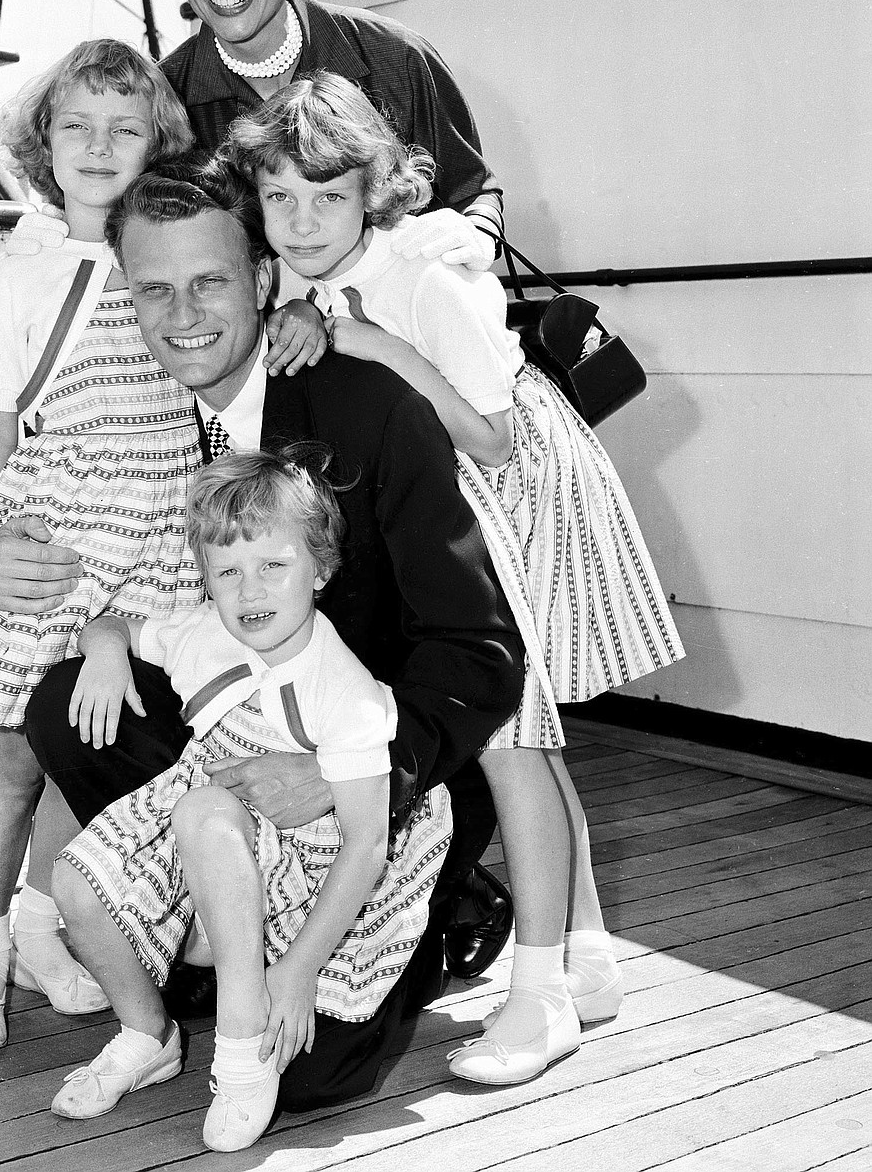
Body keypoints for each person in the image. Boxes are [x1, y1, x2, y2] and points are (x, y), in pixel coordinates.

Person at [8, 158, 527, 1108]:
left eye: (208, 280)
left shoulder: (371, 410)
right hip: (231, 751)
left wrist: (338, 775)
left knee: (302, 1081)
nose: (182, 313)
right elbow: (36, 520)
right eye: (153, 288)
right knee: (67, 702)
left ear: (260, 278)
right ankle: (208, 935)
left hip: (373, 770)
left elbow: (480, 657)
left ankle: (442, 899)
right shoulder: (138, 406)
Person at [226, 71, 686, 1086]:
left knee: (509, 741)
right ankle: (590, 953)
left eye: (328, 197)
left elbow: (496, 438)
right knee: (530, 747)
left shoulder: (431, 278)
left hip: (502, 499)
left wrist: (380, 347)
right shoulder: (296, 279)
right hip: (434, 500)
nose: (303, 221)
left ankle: (543, 996)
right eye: (281, 199)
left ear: (372, 194)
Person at [49, 450, 452, 1152]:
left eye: (274, 565)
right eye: (227, 571)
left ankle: (241, 1037)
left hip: (307, 862)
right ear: (205, 580)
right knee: (76, 881)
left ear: (320, 569)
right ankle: (148, 1033)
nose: (250, 589)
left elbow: (366, 843)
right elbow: (110, 624)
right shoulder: (205, 633)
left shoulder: (343, 689)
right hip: (211, 825)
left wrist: (295, 971)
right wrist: (107, 652)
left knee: (203, 811)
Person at [0, 39, 207, 1054]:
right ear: (43, 139)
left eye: (124, 127)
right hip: (56, 534)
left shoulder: (169, 255)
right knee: (12, 758)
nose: (99, 146)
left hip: (157, 539)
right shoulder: (17, 272)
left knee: (96, 745)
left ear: (157, 140)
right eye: (77, 125)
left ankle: (57, 928)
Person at [9, 0, 501, 272]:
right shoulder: (165, 96)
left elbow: (473, 190)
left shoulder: (394, 55)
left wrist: (475, 231)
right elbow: (121, 214)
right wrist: (53, 232)